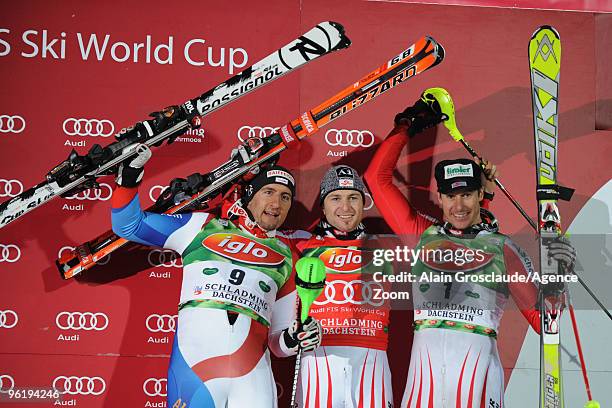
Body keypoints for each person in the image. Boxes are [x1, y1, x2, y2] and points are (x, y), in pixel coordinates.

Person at [363, 96, 576, 407]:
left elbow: (545, 322)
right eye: (450, 196)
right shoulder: (422, 234)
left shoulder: (503, 249)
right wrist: (405, 127)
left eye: (466, 194)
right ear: (440, 196)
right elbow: (376, 179)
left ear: (480, 193)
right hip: (424, 385)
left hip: (479, 380)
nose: (458, 205)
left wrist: (558, 279)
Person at [111, 144, 322, 408]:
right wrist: (130, 176)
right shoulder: (201, 226)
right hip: (197, 368)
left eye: (285, 197)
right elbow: (129, 225)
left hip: (254, 380)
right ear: (249, 195)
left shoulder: (288, 255)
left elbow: (278, 343)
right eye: (268, 192)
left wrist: (294, 338)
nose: (276, 204)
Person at [294, 165, 395, 407]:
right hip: (319, 358)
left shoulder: (386, 247)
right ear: (323, 205)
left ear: (364, 203)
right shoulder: (300, 246)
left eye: (353, 198)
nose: (346, 208)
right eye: (335, 198)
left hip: (373, 361)